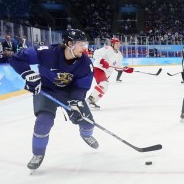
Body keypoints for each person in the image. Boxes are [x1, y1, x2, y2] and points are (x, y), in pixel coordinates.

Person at [8, 29, 98, 170]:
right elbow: (16, 58)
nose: (85, 48)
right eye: (81, 44)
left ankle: (86, 134)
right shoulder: (46, 52)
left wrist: (75, 103)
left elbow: (82, 87)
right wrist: (28, 74)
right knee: (43, 122)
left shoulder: (85, 63)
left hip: (70, 94)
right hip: (46, 91)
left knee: (88, 123)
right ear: (69, 43)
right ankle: (38, 154)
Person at [87, 37, 131, 109]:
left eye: (119, 43)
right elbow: (95, 53)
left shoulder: (119, 54)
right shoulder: (107, 49)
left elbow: (118, 66)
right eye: (116, 43)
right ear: (112, 44)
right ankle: (89, 100)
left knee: (105, 88)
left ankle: (92, 102)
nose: (118, 45)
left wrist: (124, 68)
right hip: (99, 68)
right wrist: (102, 60)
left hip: (106, 73)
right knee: (103, 84)